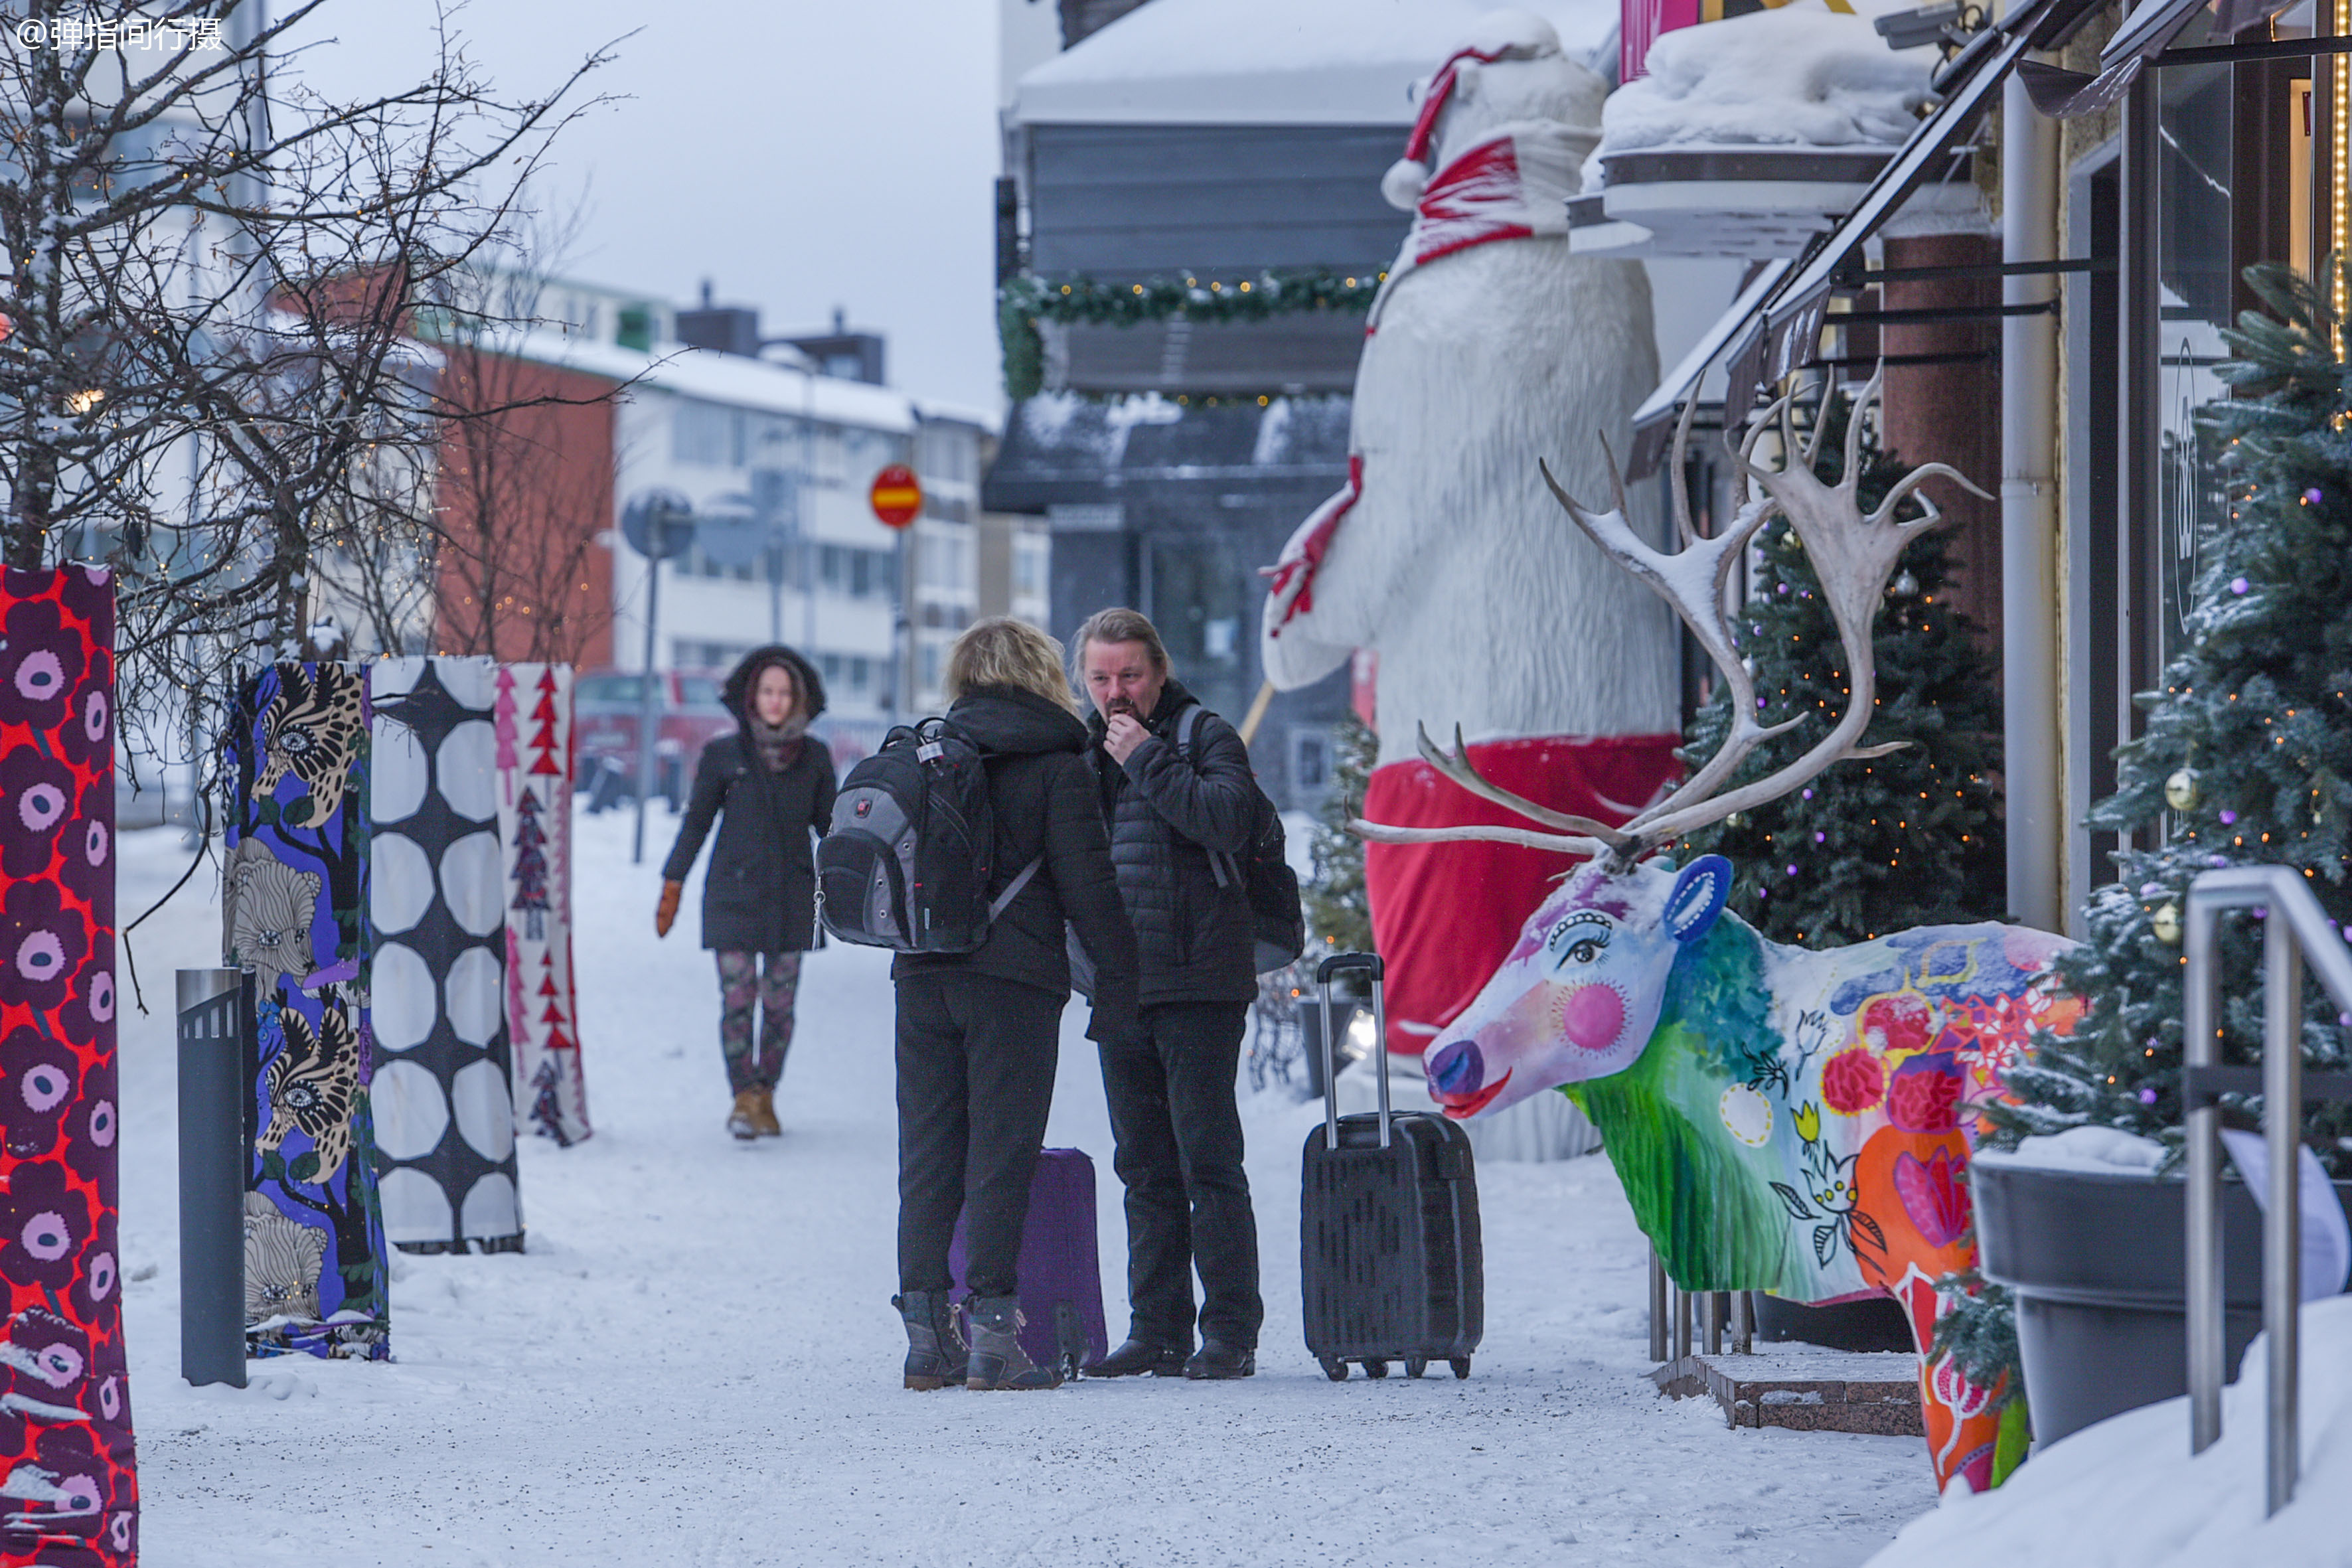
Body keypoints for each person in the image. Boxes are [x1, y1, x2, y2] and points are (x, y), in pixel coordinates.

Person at [892, 618, 1139, 1392]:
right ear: (1041, 673)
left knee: (928, 1155)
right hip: (1014, 983)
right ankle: (995, 1336)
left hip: (922, 976)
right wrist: (1122, 981)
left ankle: (928, 1341)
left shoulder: (929, 756)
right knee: (999, 1155)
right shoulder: (1059, 763)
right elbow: (1089, 888)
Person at [1075, 608, 1267, 1381]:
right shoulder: (1085, 751)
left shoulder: (1204, 735)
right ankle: (1155, 1327)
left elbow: (1226, 821)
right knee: (1143, 1167)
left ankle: (1230, 1330)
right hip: (1123, 986)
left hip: (1201, 979)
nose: (1115, 692)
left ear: (1159, 672)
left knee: (1208, 1161)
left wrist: (1148, 758)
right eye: (1100, 678)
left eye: (1129, 675)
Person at [655, 647, 836, 1140]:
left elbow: (831, 830)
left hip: (792, 898)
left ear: (797, 699)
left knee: (778, 1007)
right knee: (738, 999)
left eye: (784, 693)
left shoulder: (815, 758)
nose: (775, 701)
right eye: (767, 691)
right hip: (732, 895)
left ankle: (765, 1094)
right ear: (751, 697)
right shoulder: (723, 756)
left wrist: (852, 885)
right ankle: (742, 1096)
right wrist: (673, 881)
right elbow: (696, 823)